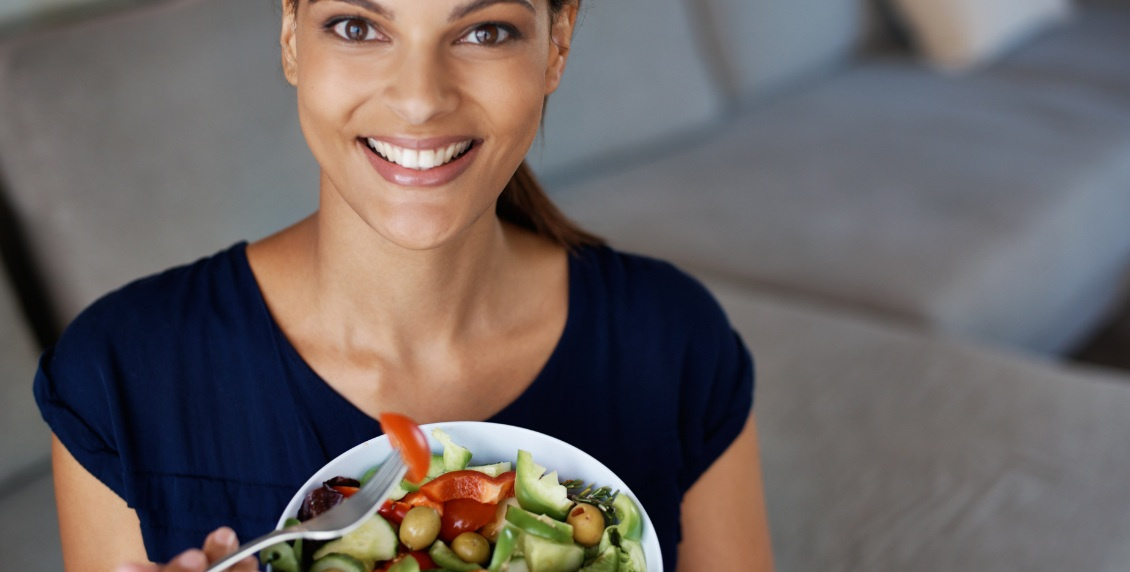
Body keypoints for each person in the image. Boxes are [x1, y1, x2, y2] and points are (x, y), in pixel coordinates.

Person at [34, 0, 774, 570]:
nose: (420, 99)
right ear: (291, 35)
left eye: (483, 30)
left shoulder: (676, 340)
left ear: (557, 45)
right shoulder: (119, 376)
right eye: (358, 26)